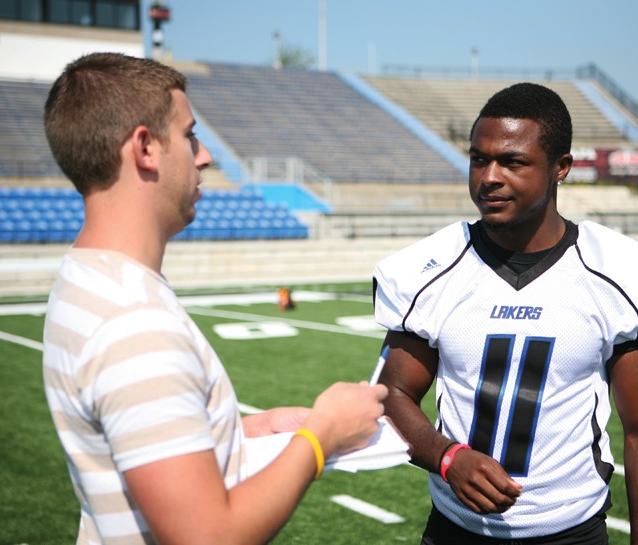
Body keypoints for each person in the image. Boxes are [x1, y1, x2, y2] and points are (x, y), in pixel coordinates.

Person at [42, 52, 387, 545]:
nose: (204, 156)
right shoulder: (133, 323)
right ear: (145, 148)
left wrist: (250, 430)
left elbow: (136, 443)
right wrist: (321, 437)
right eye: (188, 135)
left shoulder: (88, 278)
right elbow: (207, 536)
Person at [372, 82, 638, 545]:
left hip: (572, 532)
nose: (489, 177)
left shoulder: (620, 274)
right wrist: (447, 457)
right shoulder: (427, 269)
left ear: (562, 169)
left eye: (513, 162)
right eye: (479, 159)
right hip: (456, 531)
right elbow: (391, 393)